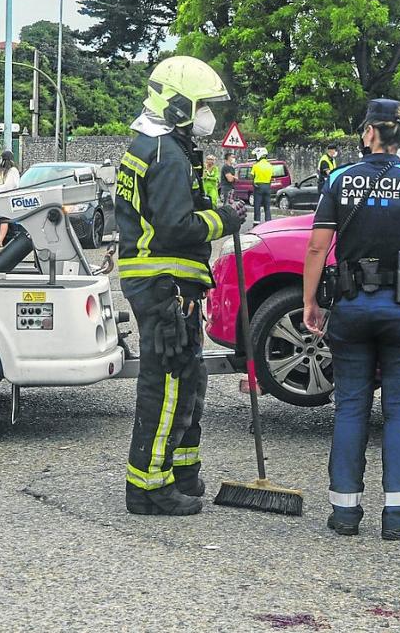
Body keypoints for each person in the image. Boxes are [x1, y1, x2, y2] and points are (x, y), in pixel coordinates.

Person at [302, 98, 400, 541]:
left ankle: (344, 514)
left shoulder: (338, 179)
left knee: (350, 407)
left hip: (350, 308)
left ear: (369, 133)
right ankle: (399, 516)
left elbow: (317, 248)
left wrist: (309, 302)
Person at [116, 55, 246, 516]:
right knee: (168, 383)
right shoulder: (164, 155)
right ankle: (149, 488)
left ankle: (181, 473)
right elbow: (175, 226)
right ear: (177, 104)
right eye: (203, 105)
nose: (210, 115)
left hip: (167, 282)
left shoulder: (156, 147)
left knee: (190, 377)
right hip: (163, 283)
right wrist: (223, 219)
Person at [0, 151, 21, 249]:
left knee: (3, 220)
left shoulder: (12, 170)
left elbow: (10, 186)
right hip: (0, 197)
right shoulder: (4, 170)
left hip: (6, 197)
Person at [250, 146, 274, 224]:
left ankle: (256, 223)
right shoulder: (270, 165)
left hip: (258, 187)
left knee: (257, 206)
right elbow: (271, 177)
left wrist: (253, 183)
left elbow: (252, 176)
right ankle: (268, 222)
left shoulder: (256, 165)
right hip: (267, 186)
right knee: (267, 206)